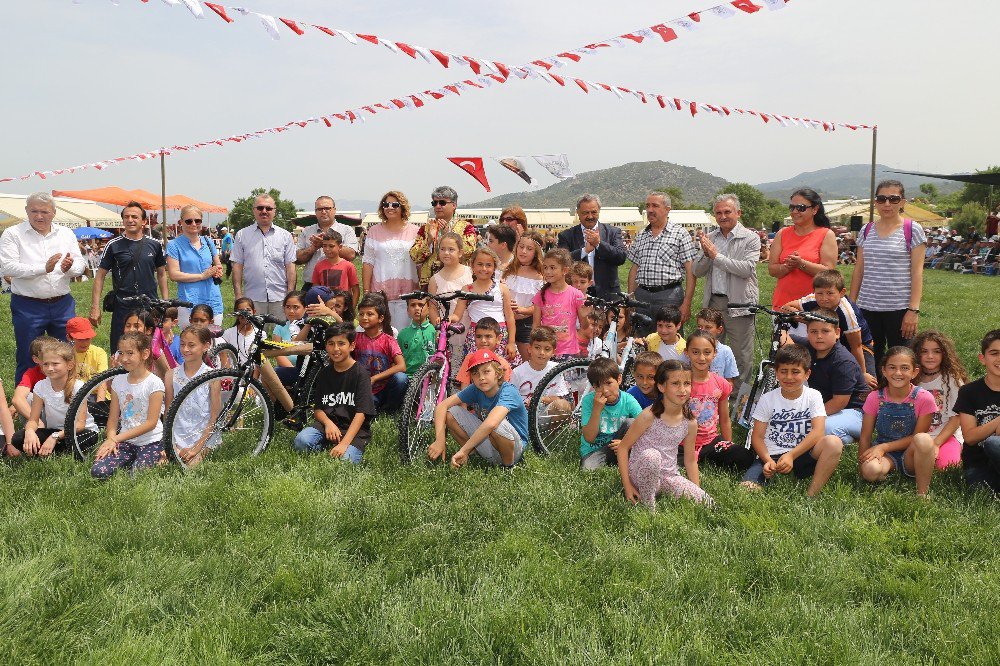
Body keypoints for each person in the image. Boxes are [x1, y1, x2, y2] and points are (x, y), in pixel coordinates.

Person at [0, 192, 86, 383]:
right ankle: (26, 405)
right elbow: (8, 267)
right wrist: (43, 268)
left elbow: (80, 264)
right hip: (27, 305)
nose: (39, 216)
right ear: (26, 211)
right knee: (29, 355)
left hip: (62, 304)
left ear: (54, 212)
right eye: (34, 211)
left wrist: (70, 268)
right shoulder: (13, 234)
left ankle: (66, 402)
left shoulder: (66, 233)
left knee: (66, 355)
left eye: (45, 212)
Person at [741, 344, 844, 496]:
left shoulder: (813, 396)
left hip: (803, 453)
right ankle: (766, 473)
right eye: (783, 371)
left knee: (834, 443)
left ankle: (811, 495)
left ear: (807, 374)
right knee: (745, 491)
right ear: (776, 373)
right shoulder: (767, 399)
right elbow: (757, 437)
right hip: (772, 455)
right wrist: (767, 460)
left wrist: (791, 455)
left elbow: (818, 431)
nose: (789, 377)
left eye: (795, 372)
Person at [850, 180, 926, 370]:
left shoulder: (912, 229)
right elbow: (859, 270)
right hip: (867, 308)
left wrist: (913, 310)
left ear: (902, 202)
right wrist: (851, 305)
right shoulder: (866, 230)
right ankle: (874, 399)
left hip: (900, 310)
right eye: (882, 199)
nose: (887, 204)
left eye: (893, 199)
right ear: (875, 202)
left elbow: (917, 273)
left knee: (900, 362)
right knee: (870, 362)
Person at [616, 360, 714, 508]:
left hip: (668, 476)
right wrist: (628, 486)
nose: (682, 389)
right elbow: (623, 448)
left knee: (708, 503)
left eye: (687, 383)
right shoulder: (648, 416)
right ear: (661, 386)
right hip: (641, 472)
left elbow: (690, 460)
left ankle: (666, 492)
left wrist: (696, 489)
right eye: (675, 383)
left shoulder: (690, 422)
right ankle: (648, 506)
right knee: (652, 455)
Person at [693, 194, 760, 390]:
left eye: (727, 212)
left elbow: (746, 269)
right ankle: (711, 391)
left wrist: (716, 256)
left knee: (741, 353)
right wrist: (706, 255)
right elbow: (697, 271)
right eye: (718, 213)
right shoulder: (710, 238)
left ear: (738, 213)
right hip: (714, 303)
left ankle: (739, 398)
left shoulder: (750, 238)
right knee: (709, 350)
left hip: (739, 303)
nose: (722, 216)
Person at [857, 346, 939, 497]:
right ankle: (888, 472)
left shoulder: (924, 398)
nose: (898, 373)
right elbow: (865, 436)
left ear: (915, 372)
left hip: (912, 455)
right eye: (892, 367)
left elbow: (917, 436)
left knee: (924, 439)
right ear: (884, 371)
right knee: (870, 471)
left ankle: (922, 494)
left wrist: (884, 447)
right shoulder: (875, 397)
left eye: (905, 368)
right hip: (886, 455)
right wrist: (861, 467)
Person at [90, 202, 169, 354]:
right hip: (123, 306)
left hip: (149, 305)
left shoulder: (155, 244)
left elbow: (161, 274)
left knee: (150, 351)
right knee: (120, 350)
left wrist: (165, 303)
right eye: (126, 217)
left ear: (144, 221)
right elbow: (99, 276)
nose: (130, 220)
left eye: (134, 217)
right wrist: (95, 307)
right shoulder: (113, 245)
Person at [428, 349, 528, 468]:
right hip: (490, 443)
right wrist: (440, 440)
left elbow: (491, 424)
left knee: (497, 423)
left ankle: (508, 468)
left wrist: (463, 449)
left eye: (486, 371)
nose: (481, 377)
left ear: (498, 373)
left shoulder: (509, 391)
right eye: (475, 373)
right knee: (451, 413)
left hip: (514, 450)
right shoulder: (476, 388)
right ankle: (475, 456)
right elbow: (442, 406)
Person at [292, 323, 376, 464]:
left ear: (352, 346)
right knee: (301, 442)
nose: (336, 349)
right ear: (326, 346)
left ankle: (340, 446)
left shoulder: (361, 374)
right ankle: (327, 444)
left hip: (354, 430)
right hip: (328, 424)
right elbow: (318, 409)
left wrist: (344, 444)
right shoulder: (324, 373)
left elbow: (361, 413)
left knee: (345, 461)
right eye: (331, 344)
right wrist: (328, 424)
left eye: (341, 343)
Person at [787, 308, 869, 447]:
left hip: (855, 412)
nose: (819, 336)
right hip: (827, 408)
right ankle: (841, 434)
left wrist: (808, 419)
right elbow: (787, 339)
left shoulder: (843, 361)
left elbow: (840, 402)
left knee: (817, 429)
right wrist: (781, 330)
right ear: (807, 333)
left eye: (825, 331)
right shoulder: (810, 347)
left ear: (837, 333)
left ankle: (847, 438)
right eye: (813, 332)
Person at [781, 269, 876, 387]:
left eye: (830, 293)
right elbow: (786, 307)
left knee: (868, 385)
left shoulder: (848, 313)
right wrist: (808, 320)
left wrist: (863, 373)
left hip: (860, 345)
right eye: (819, 293)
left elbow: (856, 346)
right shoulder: (813, 299)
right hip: (829, 341)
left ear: (841, 293)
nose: (824, 298)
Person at [91, 332, 166, 480]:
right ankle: (130, 460)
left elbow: (151, 423)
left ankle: (159, 457)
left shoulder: (154, 383)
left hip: (152, 441)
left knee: (137, 477)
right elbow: (113, 418)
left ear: (145, 354)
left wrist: (116, 439)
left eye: (130, 353)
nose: (124, 359)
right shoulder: (118, 381)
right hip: (126, 441)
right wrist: (110, 439)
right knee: (98, 471)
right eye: (121, 353)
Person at [627, 192, 697, 336]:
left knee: (670, 340)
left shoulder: (680, 234)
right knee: (641, 339)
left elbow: (691, 270)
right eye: (647, 206)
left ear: (667, 209)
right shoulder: (641, 235)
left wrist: (686, 303)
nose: (650, 210)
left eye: (655, 206)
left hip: (669, 296)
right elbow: (634, 268)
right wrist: (631, 298)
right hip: (642, 297)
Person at [685, 330, 754, 470]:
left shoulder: (721, 383)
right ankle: (690, 459)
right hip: (682, 442)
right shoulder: (680, 381)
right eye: (695, 352)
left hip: (710, 442)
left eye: (707, 352)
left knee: (745, 457)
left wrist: (728, 444)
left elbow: (724, 418)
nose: (702, 358)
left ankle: (702, 458)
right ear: (687, 353)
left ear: (715, 353)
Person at [11, 341, 88, 457]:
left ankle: (52, 450)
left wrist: (54, 437)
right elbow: (33, 420)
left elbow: (80, 425)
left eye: (55, 364)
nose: (50, 368)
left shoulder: (78, 386)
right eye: (46, 364)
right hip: (54, 430)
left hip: (78, 432)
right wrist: (30, 431)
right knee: (18, 438)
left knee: (77, 442)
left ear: (69, 365)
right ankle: (52, 450)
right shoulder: (40, 386)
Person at [231, 193, 297, 323]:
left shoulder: (285, 236)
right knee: (254, 337)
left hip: (280, 297)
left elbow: (290, 267)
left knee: (282, 338)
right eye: (260, 208)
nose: (264, 211)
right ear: (254, 210)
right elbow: (237, 267)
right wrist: (239, 296)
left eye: (268, 208)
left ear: (275, 211)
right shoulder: (241, 235)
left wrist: (290, 295)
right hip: (253, 298)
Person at [769, 188, 837, 308]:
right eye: (792, 207)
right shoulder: (782, 234)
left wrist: (801, 263)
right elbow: (772, 270)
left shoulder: (826, 234)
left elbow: (829, 272)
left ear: (815, 209)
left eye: (800, 208)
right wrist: (787, 267)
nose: (795, 211)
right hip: (783, 305)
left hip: (814, 307)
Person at [450, 247, 518, 365]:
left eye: (488, 265)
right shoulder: (467, 289)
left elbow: (510, 318)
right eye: (480, 264)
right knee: (478, 369)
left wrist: (511, 342)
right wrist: (450, 319)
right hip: (477, 337)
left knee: (500, 370)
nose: (484, 269)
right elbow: (457, 315)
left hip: (499, 336)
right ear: (472, 265)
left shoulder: (502, 288)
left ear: (494, 267)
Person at [164, 325, 220, 467]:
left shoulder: (212, 377)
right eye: (182, 344)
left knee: (190, 467)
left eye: (191, 345)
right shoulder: (171, 374)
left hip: (204, 435)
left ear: (206, 346)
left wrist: (197, 447)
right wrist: (172, 443)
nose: (185, 349)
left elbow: (214, 415)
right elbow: (168, 411)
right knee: (162, 464)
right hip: (177, 433)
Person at [363, 190, 420, 328]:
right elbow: (368, 262)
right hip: (381, 296)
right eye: (386, 204)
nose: (389, 207)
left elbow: (420, 263)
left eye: (394, 204)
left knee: (405, 340)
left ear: (403, 207)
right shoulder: (373, 231)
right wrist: (366, 292)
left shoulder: (416, 231)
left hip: (408, 296)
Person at [912, 330, 967, 470]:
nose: (930, 356)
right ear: (917, 354)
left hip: (946, 435)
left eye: (936, 351)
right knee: (910, 465)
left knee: (946, 467)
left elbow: (956, 418)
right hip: (918, 436)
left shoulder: (952, 379)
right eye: (924, 351)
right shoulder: (911, 378)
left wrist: (936, 444)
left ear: (944, 354)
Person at [954, 329, 1000, 494]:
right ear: (982, 358)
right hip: (979, 462)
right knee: (980, 491)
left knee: (996, 443)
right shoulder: (969, 392)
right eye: (994, 353)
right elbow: (970, 437)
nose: (999, 358)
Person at [557, 194, 626, 300]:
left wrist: (599, 244)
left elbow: (621, 258)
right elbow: (562, 262)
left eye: (593, 212)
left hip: (608, 295)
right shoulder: (566, 236)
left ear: (599, 211)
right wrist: (584, 251)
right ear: (578, 213)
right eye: (585, 213)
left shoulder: (613, 232)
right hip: (576, 294)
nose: (590, 216)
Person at [580, 356, 643, 471]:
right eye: (598, 385)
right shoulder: (589, 401)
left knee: (632, 422)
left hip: (620, 443)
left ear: (619, 379)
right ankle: (618, 460)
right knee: (588, 470)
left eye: (608, 383)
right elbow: (589, 438)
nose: (605, 390)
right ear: (593, 386)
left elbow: (645, 427)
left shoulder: (628, 400)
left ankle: (623, 457)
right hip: (595, 449)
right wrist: (597, 410)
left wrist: (626, 444)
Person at [166, 204, 224, 328]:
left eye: (197, 220)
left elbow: (218, 264)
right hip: (188, 301)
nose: (194, 224)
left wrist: (218, 270)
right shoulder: (174, 245)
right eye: (189, 221)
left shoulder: (208, 242)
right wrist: (202, 276)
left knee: (213, 341)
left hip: (212, 299)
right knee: (190, 341)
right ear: (181, 222)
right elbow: (173, 274)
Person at [409, 186, 477, 289]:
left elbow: (469, 252)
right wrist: (429, 240)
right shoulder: (426, 228)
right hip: (429, 282)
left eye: (442, 203)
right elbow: (415, 256)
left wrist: (449, 235)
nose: (437, 206)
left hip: (457, 281)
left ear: (454, 205)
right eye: (434, 203)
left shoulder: (466, 227)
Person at [427, 232, 473, 372]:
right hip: (445, 330)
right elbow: (432, 307)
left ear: (460, 253)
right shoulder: (435, 279)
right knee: (449, 368)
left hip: (468, 326)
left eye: (451, 249)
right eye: (442, 249)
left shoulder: (470, 272)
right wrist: (438, 325)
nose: (446, 253)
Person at [354, 293, 407, 412]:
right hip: (364, 389)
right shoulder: (355, 339)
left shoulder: (389, 340)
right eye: (361, 314)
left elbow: (402, 366)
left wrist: (375, 378)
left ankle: (389, 410)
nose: (364, 317)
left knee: (401, 379)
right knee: (368, 408)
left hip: (385, 387)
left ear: (381, 318)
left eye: (370, 314)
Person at [532, 248, 588, 358]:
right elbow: (536, 326)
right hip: (547, 352)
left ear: (565, 270)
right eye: (545, 267)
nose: (548, 271)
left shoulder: (576, 295)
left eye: (552, 268)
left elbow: (584, 326)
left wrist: (584, 316)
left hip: (569, 351)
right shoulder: (540, 295)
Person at [296, 196, 359, 291]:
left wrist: (325, 243)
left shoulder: (346, 230)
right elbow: (298, 259)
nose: (323, 211)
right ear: (315, 212)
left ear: (334, 210)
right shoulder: (306, 231)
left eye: (327, 208)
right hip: (311, 285)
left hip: (339, 287)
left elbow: (351, 255)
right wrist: (313, 248)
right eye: (320, 209)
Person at [502, 230, 545, 360]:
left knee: (529, 360)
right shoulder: (507, 270)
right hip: (504, 323)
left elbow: (540, 305)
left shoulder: (540, 277)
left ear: (536, 252)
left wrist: (523, 310)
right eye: (521, 247)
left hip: (526, 324)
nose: (523, 251)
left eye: (529, 248)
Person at [509, 326, 570, 416]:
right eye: (537, 347)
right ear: (529, 349)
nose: (542, 352)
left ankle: (552, 430)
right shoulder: (518, 372)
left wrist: (541, 399)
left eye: (547, 349)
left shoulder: (556, 369)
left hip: (546, 415)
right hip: (524, 415)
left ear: (553, 352)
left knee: (564, 406)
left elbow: (559, 397)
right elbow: (511, 399)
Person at [454, 318, 513, 388]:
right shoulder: (469, 359)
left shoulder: (502, 363)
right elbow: (464, 389)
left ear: (498, 339)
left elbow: (505, 390)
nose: (483, 340)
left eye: (488, 336)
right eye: (478, 336)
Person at [689, 308, 740, 387]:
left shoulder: (726, 351)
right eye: (699, 326)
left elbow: (729, 382)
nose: (702, 330)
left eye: (708, 327)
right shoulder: (691, 348)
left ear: (719, 329)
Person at [310, 229, 360, 306]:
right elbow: (315, 289)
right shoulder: (319, 266)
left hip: (343, 307)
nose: (327, 249)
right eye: (324, 246)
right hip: (325, 307)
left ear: (339, 247)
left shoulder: (348, 266)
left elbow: (356, 290)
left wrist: (351, 309)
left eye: (331, 246)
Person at [10, 336, 50, 421]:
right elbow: (17, 399)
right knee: (27, 397)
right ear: (36, 359)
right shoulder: (31, 373)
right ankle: (35, 430)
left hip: (62, 414)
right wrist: (37, 422)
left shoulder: (64, 370)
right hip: (42, 416)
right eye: (47, 358)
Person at [397, 295, 437, 377]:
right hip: (407, 377)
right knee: (399, 378)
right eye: (413, 305)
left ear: (429, 309)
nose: (417, 308)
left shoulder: (435, 331)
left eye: (421, 305)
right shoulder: (402, 334)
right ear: (407, 310)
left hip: (428, 377)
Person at [66, 316, 108, 391]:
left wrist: (99, 402)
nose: (84, 343)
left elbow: (102, 381)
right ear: (69, 337)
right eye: (80, 339)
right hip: (75, 394)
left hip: (95, 394)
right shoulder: (65, 355)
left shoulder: (99, 353)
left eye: (88, 338)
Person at [222, 297, 258, 366]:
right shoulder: (228, 333)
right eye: (241, 311)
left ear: (254, 312)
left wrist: (254, 376)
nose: (244, 314)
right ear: (236, 314)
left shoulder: (260, 334)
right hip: (233, 374)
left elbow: (261, 360)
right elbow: (224, 357)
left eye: (248, 310)